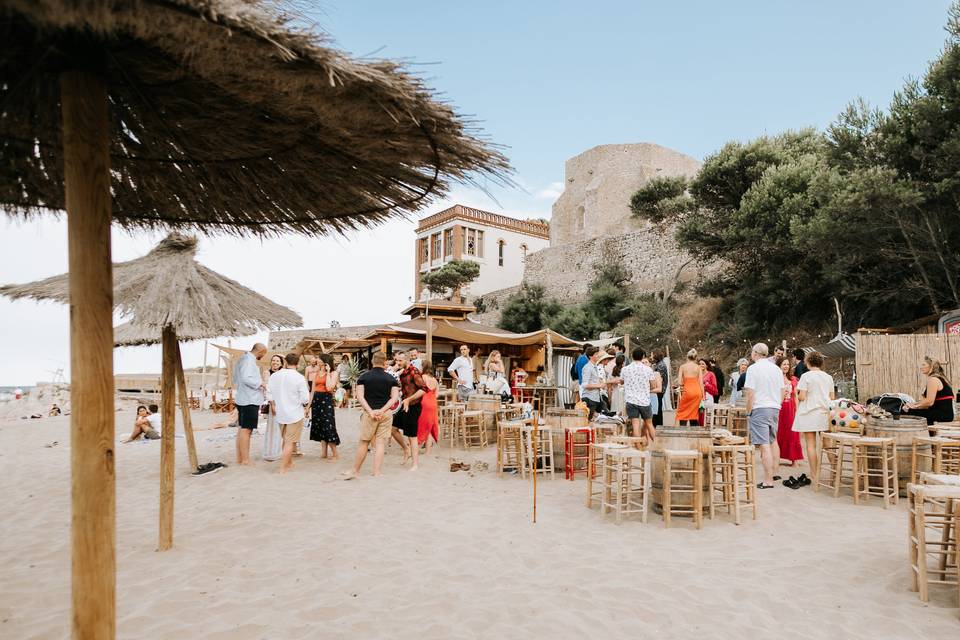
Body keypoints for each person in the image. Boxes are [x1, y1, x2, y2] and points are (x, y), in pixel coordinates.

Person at [343, 352, 401, 479]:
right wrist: (382, 410)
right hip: (385, 414)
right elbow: (394, 398)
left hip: (370, 413)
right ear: (384, 362)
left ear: (372, 362)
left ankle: (355, 470)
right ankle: (377, 471)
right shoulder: (391, 379)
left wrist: (370, 411)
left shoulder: (364, 377)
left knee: (364, 442)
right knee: (381, 443)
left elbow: (360, 396)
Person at [744, 343, 783, 488]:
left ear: (755, 353)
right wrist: (777, 404)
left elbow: (750, 394)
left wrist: (748, 412)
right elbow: (782, 390)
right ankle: (773, 472)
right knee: (772, 441)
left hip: (760, 408)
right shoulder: (775, 369)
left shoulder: (753, 369)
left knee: (764, 445)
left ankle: (768, 480)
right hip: (774, 408)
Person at [793, 351, 834, 486]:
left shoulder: (806, 376)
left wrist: (797, 395)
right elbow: (832, 398)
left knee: (811, 446)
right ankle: (834, 473)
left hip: (809, 414)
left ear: (808, 362)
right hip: (825, 414)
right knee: (829, 446)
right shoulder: (828, 377)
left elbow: (802, 397)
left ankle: (815, 476)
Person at [267, 353, 309, 474]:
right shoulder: (299, 378)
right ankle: (283, 467)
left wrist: (275, 404)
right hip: (294, 414)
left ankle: (289, 463)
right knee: (290, 442)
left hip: (280, 413)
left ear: (285, 362)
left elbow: (269, 394)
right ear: (298, 363)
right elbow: (305, 398)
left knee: (285, 440)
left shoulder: (275, 376)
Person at [233, 343, 267, 465]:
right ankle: (246, 460)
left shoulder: (242, 359)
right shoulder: (249, 360)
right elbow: (246, 378)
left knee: (242, 429)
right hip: (249, 399)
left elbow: (236, 379)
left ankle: (240, 458)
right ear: (261, 351)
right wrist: (261, 384)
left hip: (242, 398)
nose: (263, 356)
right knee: (247, 430)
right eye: (264, 354)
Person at [393, 351, 427, 470]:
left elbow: (424, 389)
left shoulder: (414, 372)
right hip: (404, 404)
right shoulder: (402, 373)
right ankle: (406, 449)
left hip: (414, 406)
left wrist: (409, 399)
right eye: (396, 360)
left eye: (400, 360)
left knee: (412, 435)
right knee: (392, 428)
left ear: (407, 360)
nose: (397, 363)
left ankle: (415, 464)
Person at [903, 356, 956, 425]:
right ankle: (929, 432)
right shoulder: (938, 378)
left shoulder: (933, 380)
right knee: (911, 410)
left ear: (931, 366)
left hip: (941, 414)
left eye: (924, 365)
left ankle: (926, 433)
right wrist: (912, 404)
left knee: (904, 412)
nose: (921, 367)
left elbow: (930, 402)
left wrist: (913, 406)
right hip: (943, 414)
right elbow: (927, 404)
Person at [621, 348, 657, 443]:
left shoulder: (625, 369)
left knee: (635, 425)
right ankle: (658, 446)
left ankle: (638, 449)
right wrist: (645, 388)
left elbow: (621, 381)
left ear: (632, 356)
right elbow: (653, 386)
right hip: (645, 400)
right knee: (649, 424)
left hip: (631, 400)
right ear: (643, 357)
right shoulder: (648, 369)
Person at [309, 353, 340, 460]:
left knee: (328, 426)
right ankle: (324, 453)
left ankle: (335, 453)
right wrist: (308, 406)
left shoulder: (333, 373)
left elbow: (330, 387)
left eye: (319, 359)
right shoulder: (316, 373)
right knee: (320, 426)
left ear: (325, 361)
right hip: (316, 401)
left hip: (326, 400)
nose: (317, 360)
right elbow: (312, 391)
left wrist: (327, 373)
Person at [776, 356, 803, 466]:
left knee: (792, 432)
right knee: (778, 432)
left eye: (787, 364)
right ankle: (776, 457)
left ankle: (794, 459)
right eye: (783, 364)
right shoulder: (775, 378)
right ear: (779, 366)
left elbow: (796, 396)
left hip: (790, 408)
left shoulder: (793, 379)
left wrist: (798, 410)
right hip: (778, 408)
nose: (786, 366)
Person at [262, 354, 284, 462]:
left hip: (283, 402)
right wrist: (272, 404)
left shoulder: (283, 373)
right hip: (273, 402)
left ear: (281, 363)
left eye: (277, 361)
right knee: (273, 427)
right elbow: (267, 388)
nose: (275, 362)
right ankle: (272, 452)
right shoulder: (267, 372)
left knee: (284, 427)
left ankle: (284, 450)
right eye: (273, 360)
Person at [675, 349, 704, 426]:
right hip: (697, 392)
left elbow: (679, 382)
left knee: (683, 412)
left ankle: (683, 429)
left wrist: (684, 383)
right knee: (694, 414)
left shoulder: (683, 367)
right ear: (696, 358)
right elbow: (701, 383)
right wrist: (703, 396)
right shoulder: (698, 367)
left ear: (687, 357)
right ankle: (694, 433)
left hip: (687, 392)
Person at [417, 360, 440, 455]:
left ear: (424, 367)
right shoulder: (435, 380)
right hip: (433, 404)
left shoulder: (423, 377)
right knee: (430, 427)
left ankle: (415, 450)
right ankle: (427, 452)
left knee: (421, 426)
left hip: (424, 403)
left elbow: (419, 391)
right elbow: (437, 395)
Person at [579, 346, 605, 418]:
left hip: (595, 397)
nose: (598, 355)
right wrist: (599, 385)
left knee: (596, 419)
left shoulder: (595, 367)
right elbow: (585, 385)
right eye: (596, 354)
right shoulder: (587, 367)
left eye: (598, 353)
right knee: (588, 420)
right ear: (590, 356)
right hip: (589, 398)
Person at [651, 349, 669, 426]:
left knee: (658, 409)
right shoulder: (659, 364)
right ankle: (658, 424)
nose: (651, 356)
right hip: (660, 389)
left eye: (652, 354)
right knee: (658, 408)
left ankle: (658, 425)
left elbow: (659, 379)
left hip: (660, 390)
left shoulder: (660, 365)